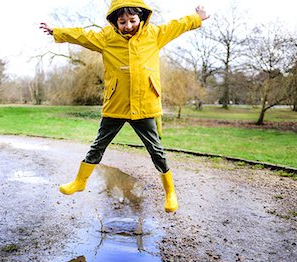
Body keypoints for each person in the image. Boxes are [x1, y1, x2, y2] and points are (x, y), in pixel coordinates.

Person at [40, 0, 209, 213]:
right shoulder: (106, 38)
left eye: (132, 20)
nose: (128, 26)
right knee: (98, 145)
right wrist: (57, 31)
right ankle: (80, 181)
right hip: (116, 104)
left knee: (156, 150)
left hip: (145, 104)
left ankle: (170, 192)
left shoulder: (154, 34)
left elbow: (177, 25)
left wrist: (196, 18)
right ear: (115, 22)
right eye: (122, 22)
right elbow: (82, 36)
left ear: (141, 18)